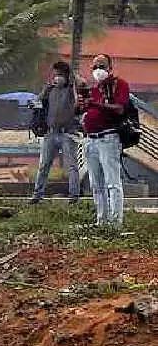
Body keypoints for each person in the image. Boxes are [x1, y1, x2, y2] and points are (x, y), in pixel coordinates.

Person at [79, 53, 130, 227]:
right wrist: (82, 105)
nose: (98, 70)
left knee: (112, 183)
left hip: (108, 138)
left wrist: (95, 104)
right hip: (90, 139)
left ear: (110, 68)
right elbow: (83, 110)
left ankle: (115, 223)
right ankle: (101, 220)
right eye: (95, 67)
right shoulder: (94, 89)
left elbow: (120, 108)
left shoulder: (119, 85)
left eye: (101, 66)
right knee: (96, 184)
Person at [32, 60, 81, 203]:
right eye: (55, 74)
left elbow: (81, 86)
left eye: (60, 74)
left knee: (71, 166)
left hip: (68, 133)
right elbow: (38, 103)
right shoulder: (50, 90)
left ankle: (74, 196)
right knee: (44, 165)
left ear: (66, 75)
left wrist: (72, 77)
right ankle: (37, 195)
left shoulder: (72, 89)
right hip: (51, 133)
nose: (57, 77)